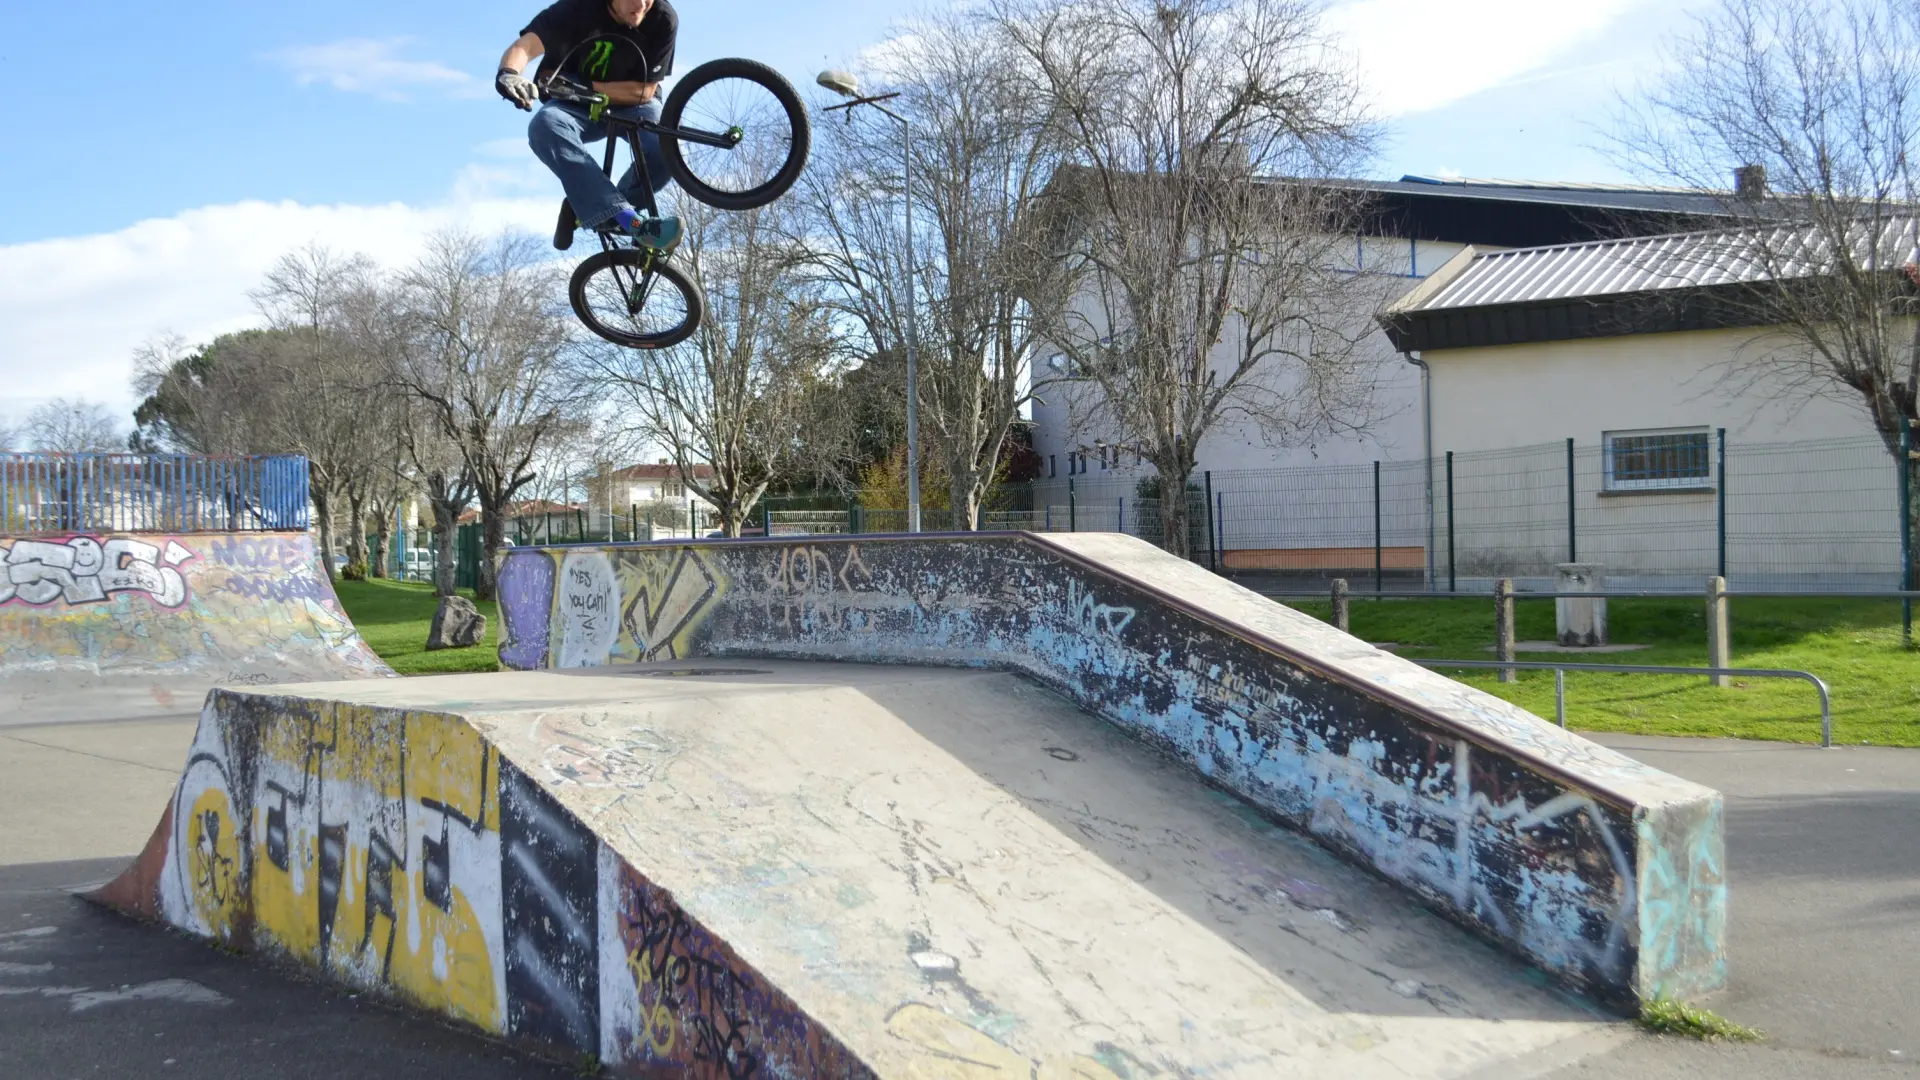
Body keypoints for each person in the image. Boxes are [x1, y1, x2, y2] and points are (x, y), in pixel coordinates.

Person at [496, 0, 682, 253]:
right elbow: (526, 45)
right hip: (575, 105)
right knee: (544, 126)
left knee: (665, 144)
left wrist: (587, 87)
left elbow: (645, 91)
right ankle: (625, 218)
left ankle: (589, 206)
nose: (640, 5)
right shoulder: (576, 8)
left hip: (632, 100)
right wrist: (509, 73)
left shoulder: (662, 18)